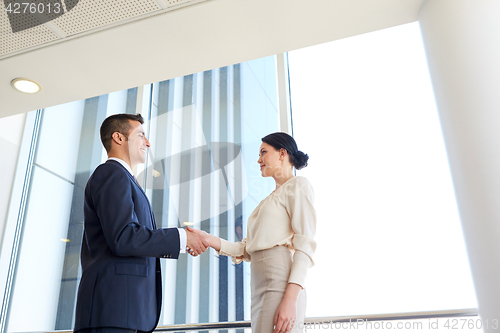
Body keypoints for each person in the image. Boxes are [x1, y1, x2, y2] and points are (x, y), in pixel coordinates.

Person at [73, 113, 207, 333]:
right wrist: (182, 237)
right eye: (141, 135)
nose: (148, 142)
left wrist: (183, 242)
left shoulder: (123, 179)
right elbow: (124, 237)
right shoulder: (111, 174)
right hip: (111, 312)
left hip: (124, 313)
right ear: (118, 138)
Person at [188, 132, 317, 333]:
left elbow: (305, 246)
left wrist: (290, 300)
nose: (259, 160)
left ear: (282, 153)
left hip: (280, 286)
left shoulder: (298, 186)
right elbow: (248, 248)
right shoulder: (270, 199)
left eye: (263, 152)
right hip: (260, 288)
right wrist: (208, 239)